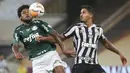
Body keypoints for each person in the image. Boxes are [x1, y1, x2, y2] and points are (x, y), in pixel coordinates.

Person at [36, 5, 127, 73]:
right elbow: (60, 38)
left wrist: (119, 53)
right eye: (80, 13)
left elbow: (106, 43)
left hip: (94, 65)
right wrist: (44, 38)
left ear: (90, 15)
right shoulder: (76, 28)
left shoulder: (98, 29)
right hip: (80, 65)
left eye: (83, 12)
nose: (81, 14)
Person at [11, 5, 74, 73]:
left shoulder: (40, 23)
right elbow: (15, 45)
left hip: (50, 54)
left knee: (59, 70)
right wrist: (16, 53)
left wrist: (63, 49)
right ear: (20, 18)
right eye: (24, 12)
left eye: (29, 12)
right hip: (37, 61)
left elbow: (56, 36)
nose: (27, 13)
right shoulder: (18, 31)